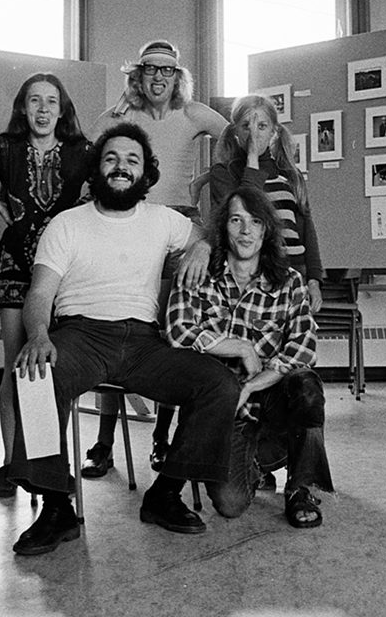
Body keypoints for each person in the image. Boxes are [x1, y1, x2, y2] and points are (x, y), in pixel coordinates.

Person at [7, 123, 239, 555]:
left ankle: (165, 494)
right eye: (111, 158)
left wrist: (202, 246)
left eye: (132, 160)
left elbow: (209, 233)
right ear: (97, 168)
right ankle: (57, 508)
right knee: (35, 375)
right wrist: (38, 334)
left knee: (218, 383)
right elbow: (40, 292)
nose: (121, 167)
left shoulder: (162, 220)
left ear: (144, 173)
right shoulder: (67, 224)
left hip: (144, 341)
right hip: (80, 334)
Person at [81, 39, 228, 478]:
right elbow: (88, 139)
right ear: (139, 76)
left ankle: (162, 440)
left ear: (177, 76)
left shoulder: (194, 113)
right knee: (114, 324)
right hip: (131, 220)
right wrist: (121, 105)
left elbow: (238, 139)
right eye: (150, 71)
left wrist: (206, 178)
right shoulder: (127, 114)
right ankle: (104, 444)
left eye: (167, 71)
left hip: (178, 227)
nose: (159, 78)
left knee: (170, 334)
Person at [0, 72, 95, 499]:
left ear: (62, 109)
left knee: (53, 367)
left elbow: (112, 183)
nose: (43, 110)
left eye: (51, 101)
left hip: (63, 270)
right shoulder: (4, 148)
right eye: (34, 101)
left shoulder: (82, 151)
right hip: (15, 266)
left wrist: (84, 211)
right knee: (16, 366)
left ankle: (47, 467)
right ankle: (11, 464)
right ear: (23, 107)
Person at [165, 185, 333, 528]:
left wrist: (252, 386)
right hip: (226, 413)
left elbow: (303, 349)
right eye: (236, 220)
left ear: (266, 229)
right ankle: (256, 465)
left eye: (255, 221)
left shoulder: (290, 282)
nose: (245, 231)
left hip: (272, 400)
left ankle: (300, 488)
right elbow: (178, 332)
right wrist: (241, 348)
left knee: (306, 388)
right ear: (222, 228)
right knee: (230, 503)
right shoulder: (198, 274)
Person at [211, 93, 325, 313]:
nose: (254, 133)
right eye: (246, 126)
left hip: (294, 269)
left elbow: (307, 229)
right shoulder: (223, 173)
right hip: (250, 273)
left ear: (274, 132)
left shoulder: (290, 175)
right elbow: (245, 207)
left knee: (292, 339)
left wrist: (314, 279)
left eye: (261, 126)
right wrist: (252, 159)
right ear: (235, 133)